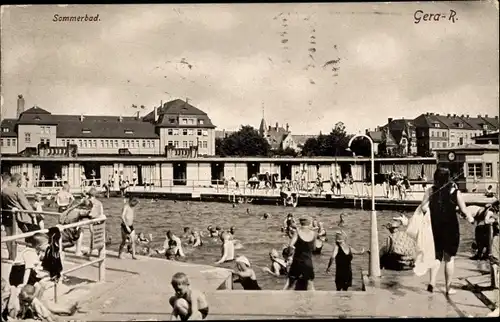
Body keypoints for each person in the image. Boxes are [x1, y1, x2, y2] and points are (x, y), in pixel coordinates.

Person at [421, 167, 474, 295]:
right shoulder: (455, 192)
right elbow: (465, 210)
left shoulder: (430, 191)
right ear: (448, 178)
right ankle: (448, 288)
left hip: (435, 227)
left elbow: (423, 207)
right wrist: (471, 219)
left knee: (436, 256)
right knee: (449, 259)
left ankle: (432, 283)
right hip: (451, 228)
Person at [1, 173, 34, 258]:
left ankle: (11, 255)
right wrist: (33, 215)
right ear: (18, 181)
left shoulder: (4, 190)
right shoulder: (17, 190)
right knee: (26, 234)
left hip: (6, 215)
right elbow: (25, 204)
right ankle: (27, 254)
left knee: (9, 235)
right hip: (18, 217)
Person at [284, 217, 316, 291]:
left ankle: (285, 300)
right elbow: (314, 248)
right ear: (309, 223)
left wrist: (288, 254)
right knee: (310, 284)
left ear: (301, 223)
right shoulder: (314, 233)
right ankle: (314, 301)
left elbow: (290, 245)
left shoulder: (297, 232)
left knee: (291, 284)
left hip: (297, 261)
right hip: (308, 261)